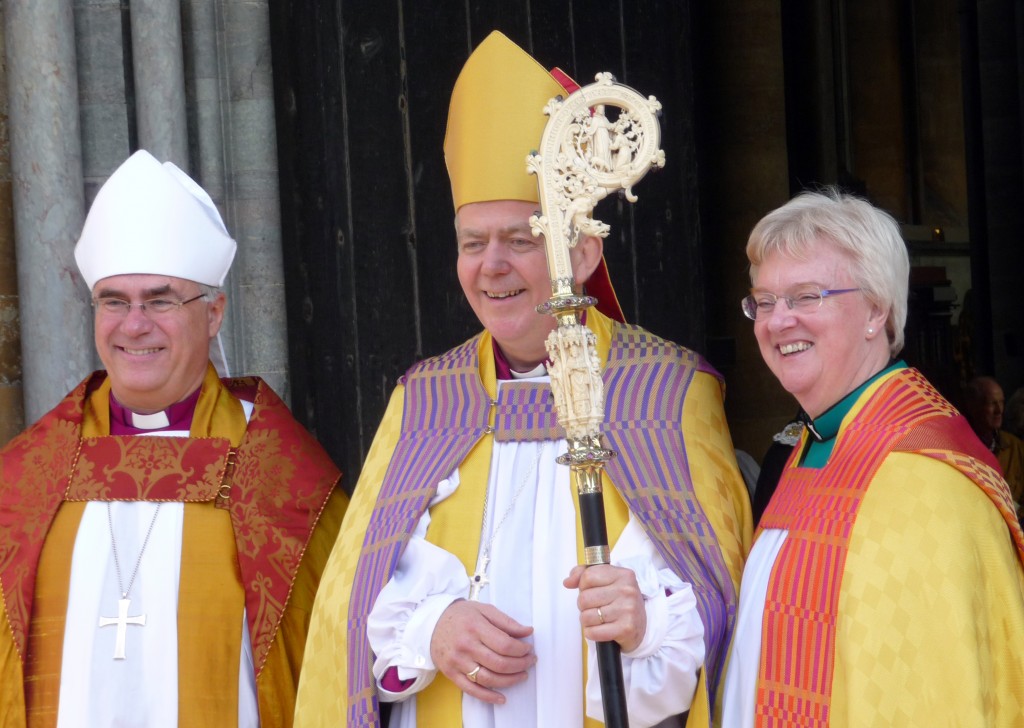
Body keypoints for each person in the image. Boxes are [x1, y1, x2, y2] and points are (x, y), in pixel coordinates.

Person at [294, 31, 751, 728]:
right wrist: (431, 628)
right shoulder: (425, 400)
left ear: (584, 250)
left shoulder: (669, 391)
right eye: (473, 244)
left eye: (521, 238)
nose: (492, 266)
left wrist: (647, 623)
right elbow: (353, 602)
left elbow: (724, 608)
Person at [0, 150, 348, 726]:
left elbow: (331, 664)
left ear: (213, 313)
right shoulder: (24, 480)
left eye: (160, 300)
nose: (134, 324)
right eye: (114, 301)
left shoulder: (281, 477)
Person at [721, 188, 1024, 726]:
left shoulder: (923, 478)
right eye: (764, 301)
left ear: (877, 310)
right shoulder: (817, 441)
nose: (777, 321)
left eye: (806, 296)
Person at [963, 375, 1024, 516]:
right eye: (991, 403)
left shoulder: (1015, 447)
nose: (999, 410)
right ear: (973, 407)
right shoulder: (960, 450)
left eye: (1001, 402)